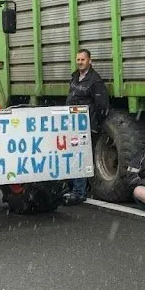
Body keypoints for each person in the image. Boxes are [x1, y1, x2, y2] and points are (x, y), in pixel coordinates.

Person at [62, 49, 110, 205]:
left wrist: (93, 123)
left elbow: (102, 105)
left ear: (90, 60)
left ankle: (79, 192)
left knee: (79, 157)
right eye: (78, 59)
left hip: (85, 125)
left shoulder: (95, 81)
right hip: (72, 123)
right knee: (72, 155)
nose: (80, 62)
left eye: (83, 59)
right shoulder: (75, 77)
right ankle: (72, 188)